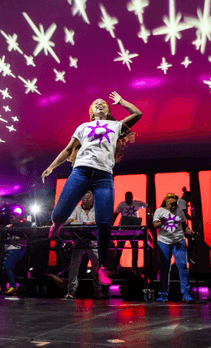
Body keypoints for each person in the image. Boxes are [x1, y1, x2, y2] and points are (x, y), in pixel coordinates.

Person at [42, 91, 142, 286]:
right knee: (60, 213)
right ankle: (58, 224)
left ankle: (102, 265)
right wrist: (52, 166)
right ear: (91, 111)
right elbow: (68, 149)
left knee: (104, 222)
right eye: (96, 103)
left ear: (108, 109)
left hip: (103, 176)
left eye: (103, 103)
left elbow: (137, 114)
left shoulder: (116, 125)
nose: (99, 104)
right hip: (80, 172)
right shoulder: (83, 127)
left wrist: (121, 101)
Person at [153, 193, 194, 302]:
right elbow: (155, 225)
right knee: (164, 269)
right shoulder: (159, 211)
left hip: (179, 241)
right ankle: (162, 294)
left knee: (183, 267)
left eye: (175, 204)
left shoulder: (180, 212)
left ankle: (186, 294)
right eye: (171, 205)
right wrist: (162, 221)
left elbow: (184, 226)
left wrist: (191, 232)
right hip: (164, 242)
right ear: (166, 203)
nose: (174, 207)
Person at [65, 191, 104, 299]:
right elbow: (70, 220)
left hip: (92, 241)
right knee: (74, 265)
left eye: (87, 200)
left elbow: (96, 222)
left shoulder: (96, 209)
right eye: (84, 199)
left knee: (96, 265)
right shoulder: (76, 209)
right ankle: (71, 290)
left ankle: (97, 289)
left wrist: (81, 223)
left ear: (92, 200)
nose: (85, 202)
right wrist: (86, 223)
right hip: (78, 241)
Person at [111, 191, 148, 273]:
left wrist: (150, 212)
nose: (128, 199)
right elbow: (115, 215)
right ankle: (115, 267)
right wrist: (112, 226)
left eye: (129, 197)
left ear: (132, 197)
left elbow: (147, 206)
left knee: (135, 248)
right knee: (119, 248)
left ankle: (134, 267)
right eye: (126, 198)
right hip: (123, 231)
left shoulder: (137, 203)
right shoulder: (122, 204)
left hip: (134, 231)